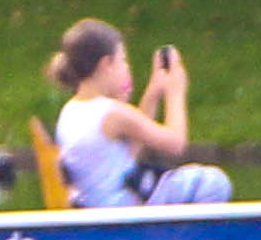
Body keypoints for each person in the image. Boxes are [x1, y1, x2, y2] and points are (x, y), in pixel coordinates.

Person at [49, 20, 230, 207]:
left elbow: (130, 151)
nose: (127, 67)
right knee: (214, 182)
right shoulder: (111, 112)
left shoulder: (70, 111)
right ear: (107, 64)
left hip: (97, 206)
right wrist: (175, 91)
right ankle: (182, 236)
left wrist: (154, 90)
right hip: (122, 207)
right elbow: (176, 143)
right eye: (123, 60)